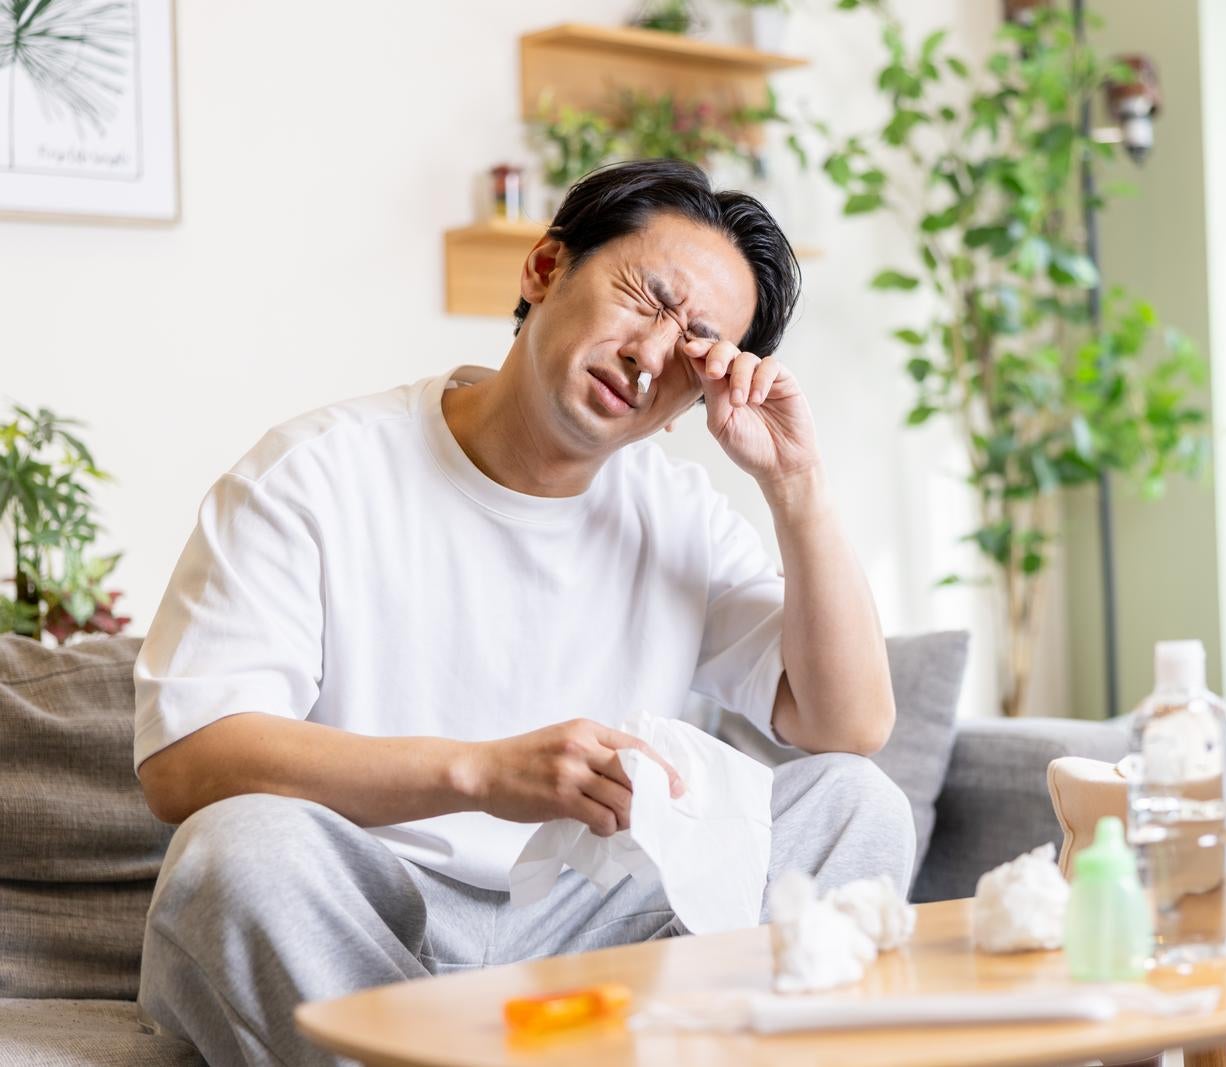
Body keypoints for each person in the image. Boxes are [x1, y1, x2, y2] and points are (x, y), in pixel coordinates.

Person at [132, 159, 915, 1067]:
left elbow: (848, 723)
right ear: (545, 270)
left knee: (858, 804)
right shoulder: (315, 474)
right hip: (364, 921)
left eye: (696, 346)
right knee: (238, 847)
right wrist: (478, 772)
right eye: (645, 299)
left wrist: (797, 485)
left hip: (587, 937)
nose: (652, 354)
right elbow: (185, 764)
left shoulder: (677, 514)